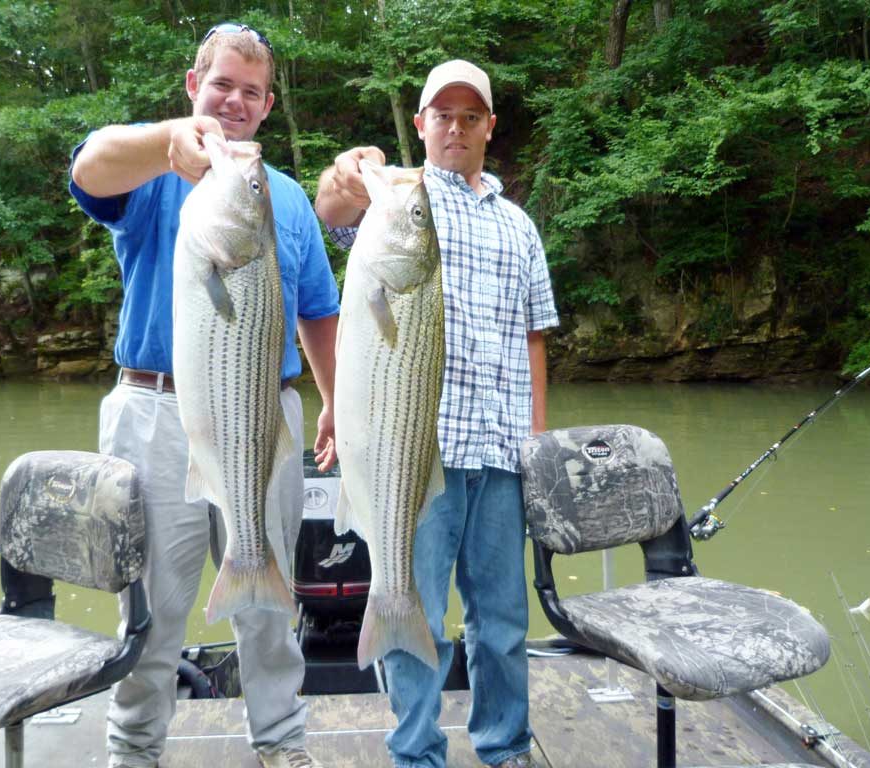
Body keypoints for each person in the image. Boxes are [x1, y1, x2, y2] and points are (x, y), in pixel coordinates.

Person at [69, 22, 338, 768]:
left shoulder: (280, 196)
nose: (235, 101)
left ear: (268, 106)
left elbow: (319, 311)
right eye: (222, 84)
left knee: (268, 607)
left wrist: (336, 402)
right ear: (195, 86)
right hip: (154, 411)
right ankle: (135, 751)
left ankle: (281, 743)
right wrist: (165, 143)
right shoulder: (152, 170)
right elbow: (88, 168)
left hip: (263, 409)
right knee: (150, 611)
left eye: (252, 92)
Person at [314, 60, 558, 768]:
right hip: (416, 453)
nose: (456, 127)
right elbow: (333, 209)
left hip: (503, 454)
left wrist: (536, 439)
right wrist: (348, 170)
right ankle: (416, 752)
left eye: (470, 116)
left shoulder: (521, 226)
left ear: (489, 126)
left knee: (504, 623)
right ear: (420, 126)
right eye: (441, 116)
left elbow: (534, 336)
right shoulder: (400, 197)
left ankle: (505, 745)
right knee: (412, 607)